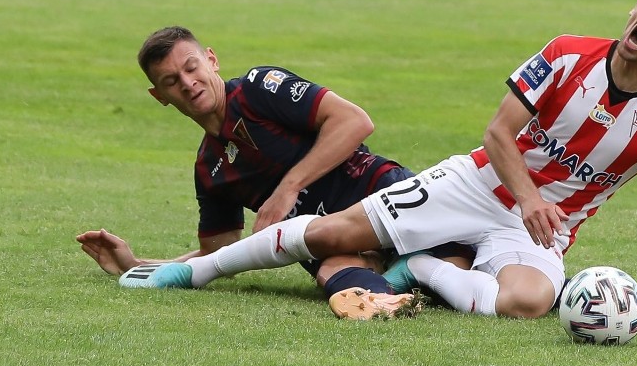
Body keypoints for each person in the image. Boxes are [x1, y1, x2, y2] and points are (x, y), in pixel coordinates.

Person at [119, 0, 637, 327]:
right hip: (477, 185)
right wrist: (530, 198)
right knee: (326, 238)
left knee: (528, 304)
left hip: (540, 229)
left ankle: (422, 269)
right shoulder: (565, 55)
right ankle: (185, 277)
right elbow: (498, 135)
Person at [77, 25, 426, 318]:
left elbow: (355, 121)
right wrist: (136, 264)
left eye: (191, 67)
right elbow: (219, 254)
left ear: (211, 60)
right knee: (333, 275)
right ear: (160, 96)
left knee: (457, 263)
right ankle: (397, 289)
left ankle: (417, 270)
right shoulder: (208, 169)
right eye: (171, 81)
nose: (187, 82)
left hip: (384, 197)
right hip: (328, 244)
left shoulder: (257, 88)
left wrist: (287, 188)